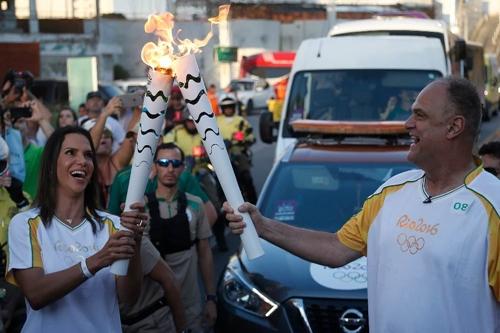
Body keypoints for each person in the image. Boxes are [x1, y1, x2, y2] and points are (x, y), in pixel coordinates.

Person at [224, 77, 499, 332]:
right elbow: (337, 248)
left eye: (420, 115)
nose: (407, 123)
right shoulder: (391, 193)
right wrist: (263, 226)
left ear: (454, 127)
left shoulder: (492, 206)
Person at [6, 126, 146, 332]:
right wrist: (96, 261)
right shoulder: (25, 223)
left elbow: (129, 298)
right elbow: (36, 294)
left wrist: (136, 242)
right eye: (71, 153)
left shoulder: (114, 225)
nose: (82, 161)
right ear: (52, 164)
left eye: (88, 155)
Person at [148, 142, 217, 333]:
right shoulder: (142, 208)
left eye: (175, 163)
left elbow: (204, 252)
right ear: (154, 167)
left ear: (183, 168)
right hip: (154, 312)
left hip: (190, 306)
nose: (169, 169)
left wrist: (211, 298)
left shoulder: (195, 205)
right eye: (163, 163)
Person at [163, 109, 226, 250]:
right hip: (181, 174)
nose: (192, 125)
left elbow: (217, 149)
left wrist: (206, 155)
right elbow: (164, 148)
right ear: (185, 121)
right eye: (189, 121)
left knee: (215, 203)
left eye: (194, 122)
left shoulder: (205, 132)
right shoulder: (175, 134)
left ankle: (220, 238)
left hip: (202, 171)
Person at [120, 237, 187, 333]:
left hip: (152, 322)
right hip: (124, 326)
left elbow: (170, 282)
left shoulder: (135, 242)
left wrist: (182, 329)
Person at [82, 102, 137, 208]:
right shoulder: (83, 165)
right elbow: (90, 147)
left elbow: (131, 133)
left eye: (106, 134)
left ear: (112, 141)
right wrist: (104, 114)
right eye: (98, 134)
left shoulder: (117, 161)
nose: (102, 137)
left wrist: (140, 107)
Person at [216, 94, 257, 204]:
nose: (228, 109)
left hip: (237, 153)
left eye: (230, 106)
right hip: (220, 155)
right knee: (215, 180)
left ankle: (254, 202)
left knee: (246, 177)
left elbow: (251, 136)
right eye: (226, 107)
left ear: (234, 107)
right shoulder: (216, 121)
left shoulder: (241, 121)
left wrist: (241, 139)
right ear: (222, 108)